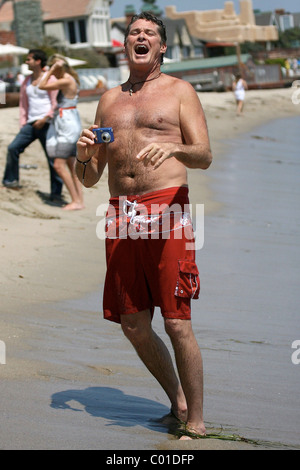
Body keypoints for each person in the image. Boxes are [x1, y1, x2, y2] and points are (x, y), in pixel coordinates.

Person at [76, 12, 212, 439]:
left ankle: (197, 422)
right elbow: (91, 177)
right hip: (119, 212)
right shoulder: (108, 101)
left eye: (149, 33)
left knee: (176, 321)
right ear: (125, 44)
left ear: (162, 46)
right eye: (134, 32)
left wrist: (174, 146)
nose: (141, 37)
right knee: (133, 323)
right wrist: (82, 155)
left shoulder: (179, 91)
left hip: (167, 208)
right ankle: (178, 399)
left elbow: (204, 155)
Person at [2, 49, 63, 199]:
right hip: (30, 123)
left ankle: (56, 193)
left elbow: (56, 102)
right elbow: (23, 104)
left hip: (47, 123)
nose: (26, 62)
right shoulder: (26, 80)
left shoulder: (51, 80)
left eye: (29, 59)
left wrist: (45, 118)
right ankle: (11, 181)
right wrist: (23, 123)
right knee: (13, 148)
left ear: (37, 61)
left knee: (52, 159)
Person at [39, 54, 83, 211]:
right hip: (69, 121)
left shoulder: (65, 80)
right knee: (71, 164)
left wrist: (51, 71)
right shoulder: (70, 78)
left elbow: (41, 85)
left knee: (58, 165)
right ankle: (79, 200)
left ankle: (76, 201)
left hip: (67, 125)